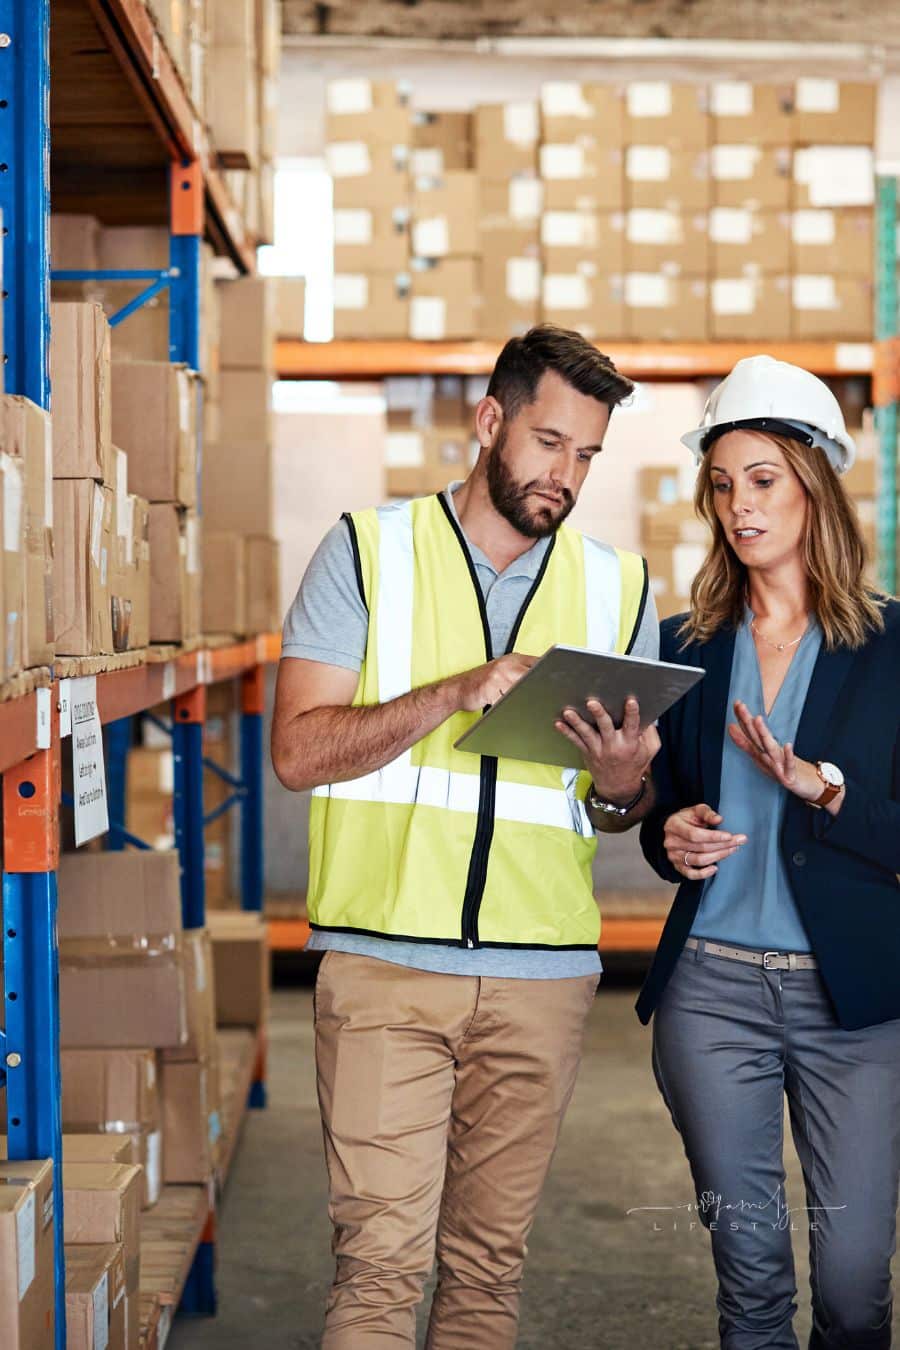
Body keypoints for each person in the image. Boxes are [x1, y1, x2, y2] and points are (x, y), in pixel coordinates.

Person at [272, 325, 661, 1348]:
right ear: (489, 421)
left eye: (586, 455)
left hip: (543, 980)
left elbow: (615, 809)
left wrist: (625, 787)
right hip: (383, 972)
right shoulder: (365, 552)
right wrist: (454, 691)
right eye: (547, 443)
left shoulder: (621, 589)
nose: (564, 474)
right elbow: (300, 753)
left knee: (488, 1278)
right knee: (378, 1275)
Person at [637, 354, 900, 1349]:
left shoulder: (892, 649)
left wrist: (823, 788)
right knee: (751, 1287)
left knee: (851, 1288)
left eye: (762, 480)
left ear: (815, 485)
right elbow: (660, 810)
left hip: (856, 1007)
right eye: (722, 484)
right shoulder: (684, 645)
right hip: (713, 995)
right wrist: (668, 830)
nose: (738, 507)